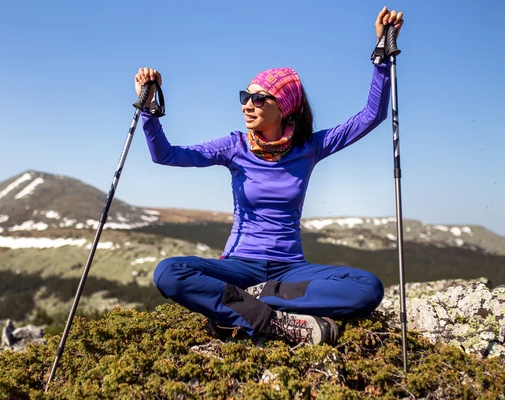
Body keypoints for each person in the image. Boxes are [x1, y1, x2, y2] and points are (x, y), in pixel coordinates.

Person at [135, 7, 404, 346]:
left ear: (284, 107)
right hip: (238, 266)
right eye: (245, 97)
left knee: (368, 288)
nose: (248, 104)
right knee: (169, 272)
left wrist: (382, 52)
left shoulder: (309, 147)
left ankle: (249, 303)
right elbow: (166, 155)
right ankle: (271, 322)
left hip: (289, 268)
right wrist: (148, 113)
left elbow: (371, 116)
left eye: (259, 98)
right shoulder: (234, 146)